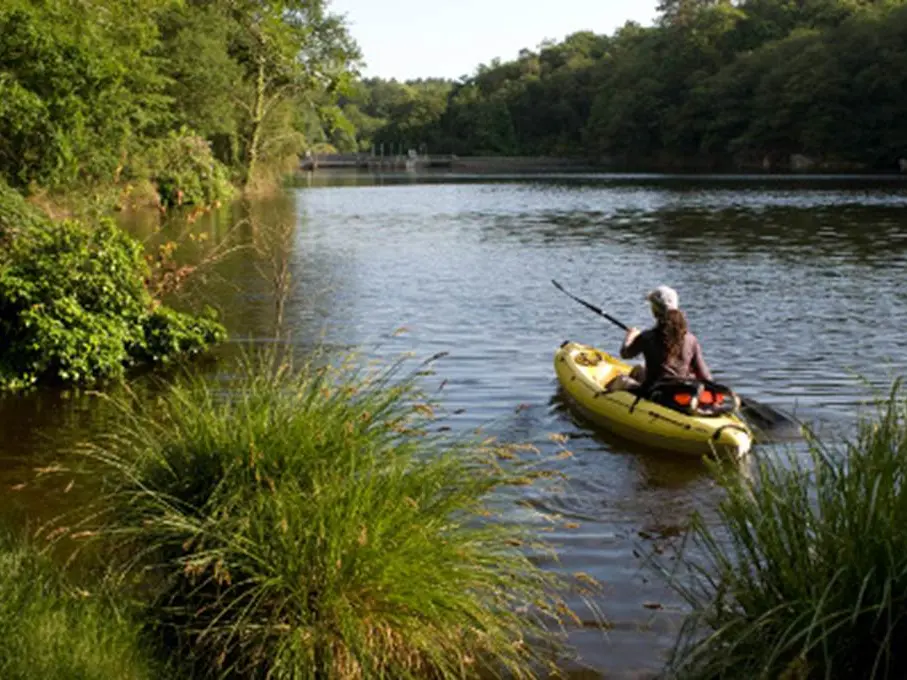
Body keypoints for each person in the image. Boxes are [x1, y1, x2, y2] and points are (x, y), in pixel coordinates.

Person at [606, 285, 711, 394]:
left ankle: (601, 398)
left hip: (654, 393)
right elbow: (705, 376)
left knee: (621, 380)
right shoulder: (691, 339)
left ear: (655, 310)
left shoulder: (647, 337)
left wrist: (630, 336)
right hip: (679, 391)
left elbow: (625, 354)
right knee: (639, 369)